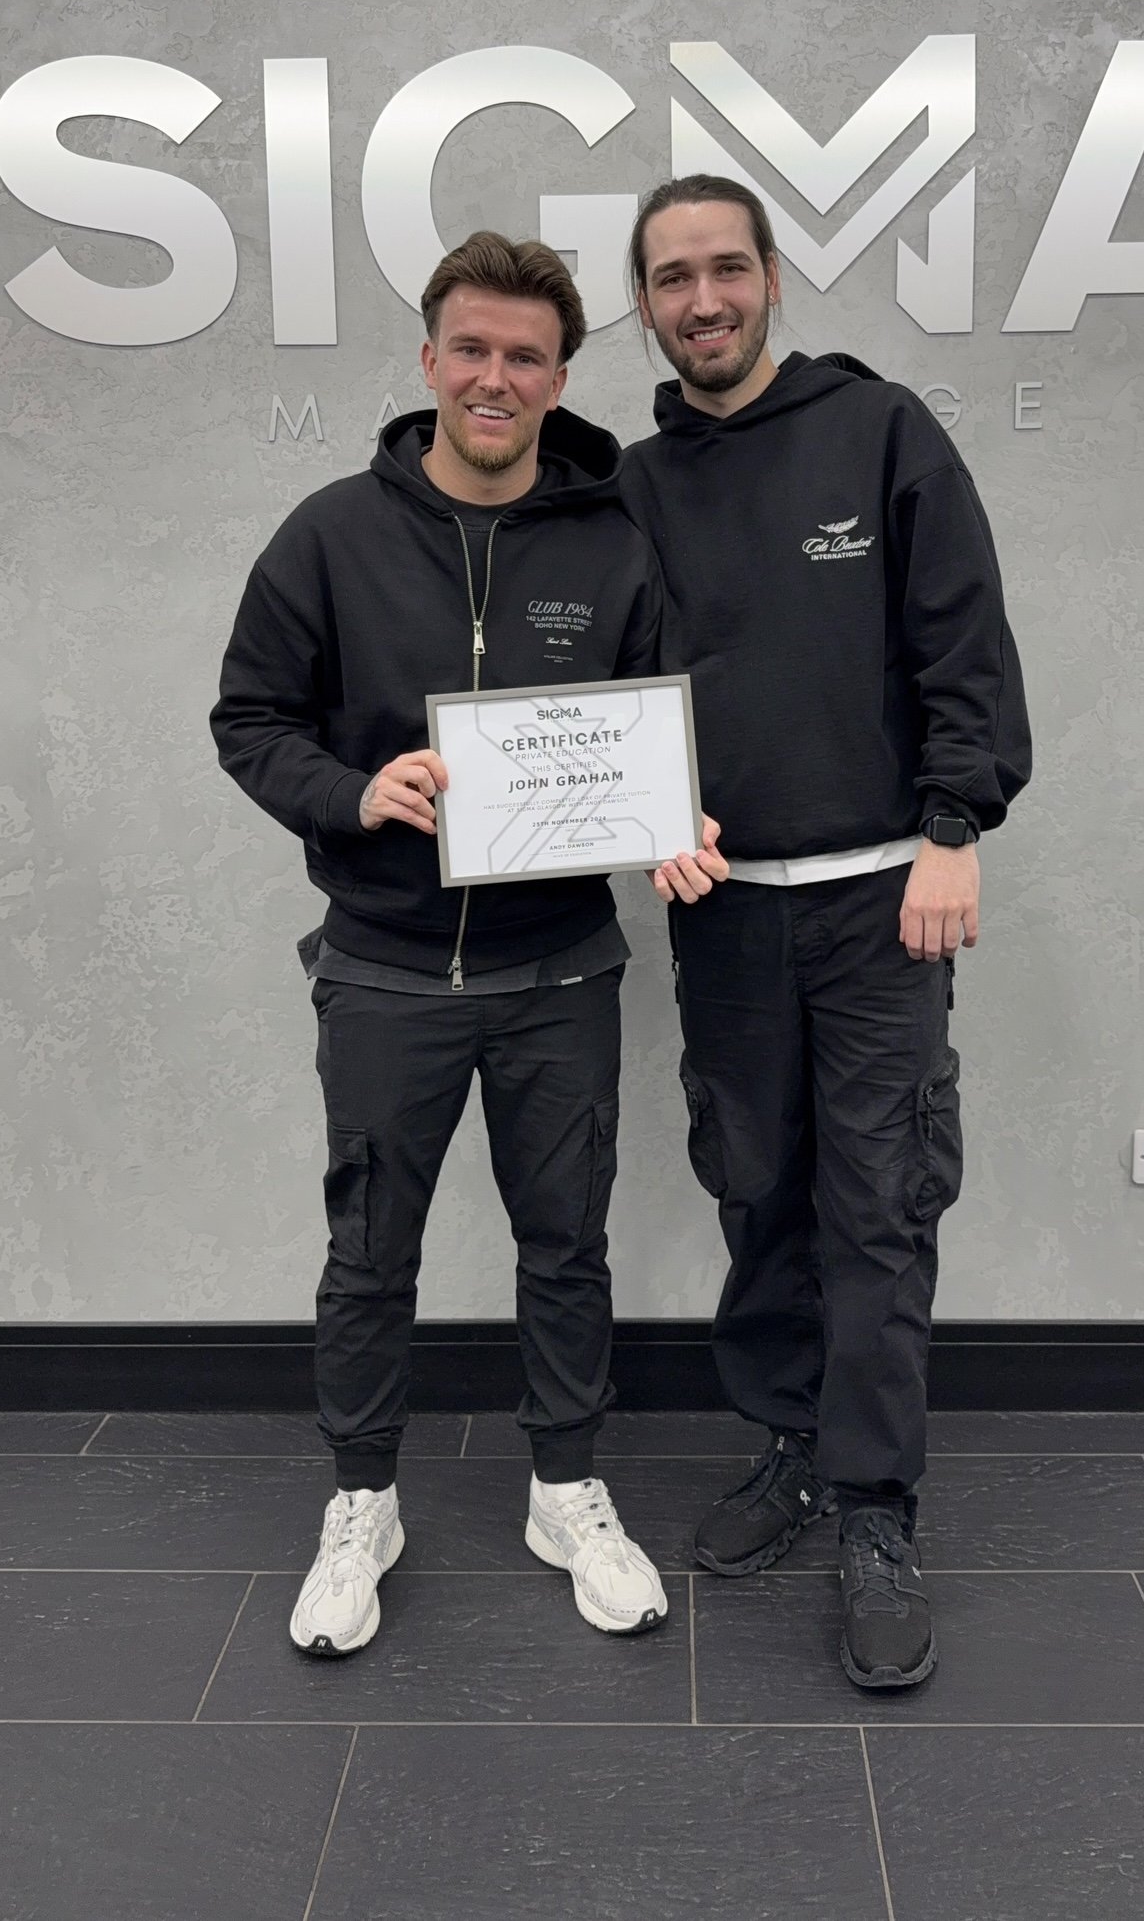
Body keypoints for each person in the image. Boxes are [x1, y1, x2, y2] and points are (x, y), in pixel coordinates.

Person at [211, 230, 726, 1657]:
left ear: (561, 377)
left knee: (567, 1245)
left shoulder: (614, 543)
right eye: (474, 350)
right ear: (431, 358)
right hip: (384, 968)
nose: (496, 379)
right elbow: (249, 719)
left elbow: (656, 726)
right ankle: (361, 1504)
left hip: (561, 969)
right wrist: (351, 792)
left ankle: (565, 1491)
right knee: (369, 1253)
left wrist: (672, 815)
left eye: (527, 358)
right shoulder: (330, 533)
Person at [622, 174, 1032, 1690]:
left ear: (772, 279)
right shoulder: (633, 486)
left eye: (726, 268)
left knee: (879, 1205)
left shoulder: (882, 432)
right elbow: (610, 692)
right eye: (674, 278)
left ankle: (875, 1510)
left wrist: (953, 827)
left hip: (883, 906)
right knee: (757, 1189)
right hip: (724, 913)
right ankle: (791, 1444)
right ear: (645, 304)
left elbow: (962, 639)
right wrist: (645, 812)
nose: (704, 300)